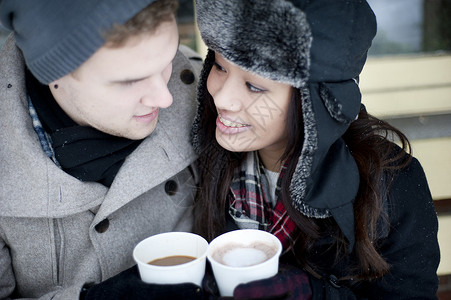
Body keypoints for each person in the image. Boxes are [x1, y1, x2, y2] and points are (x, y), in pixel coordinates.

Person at [191, 0, 441, 299]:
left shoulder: (392, 183)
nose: (222, 98)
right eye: (219, 66)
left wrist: (316, 293)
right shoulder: (204, 155)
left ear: (315, 102)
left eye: (254, 86)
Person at [0, 0, 204, 298]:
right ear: (53, 73)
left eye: (167, 62)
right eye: (130, 81)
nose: (165, 98)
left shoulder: (209, 92)